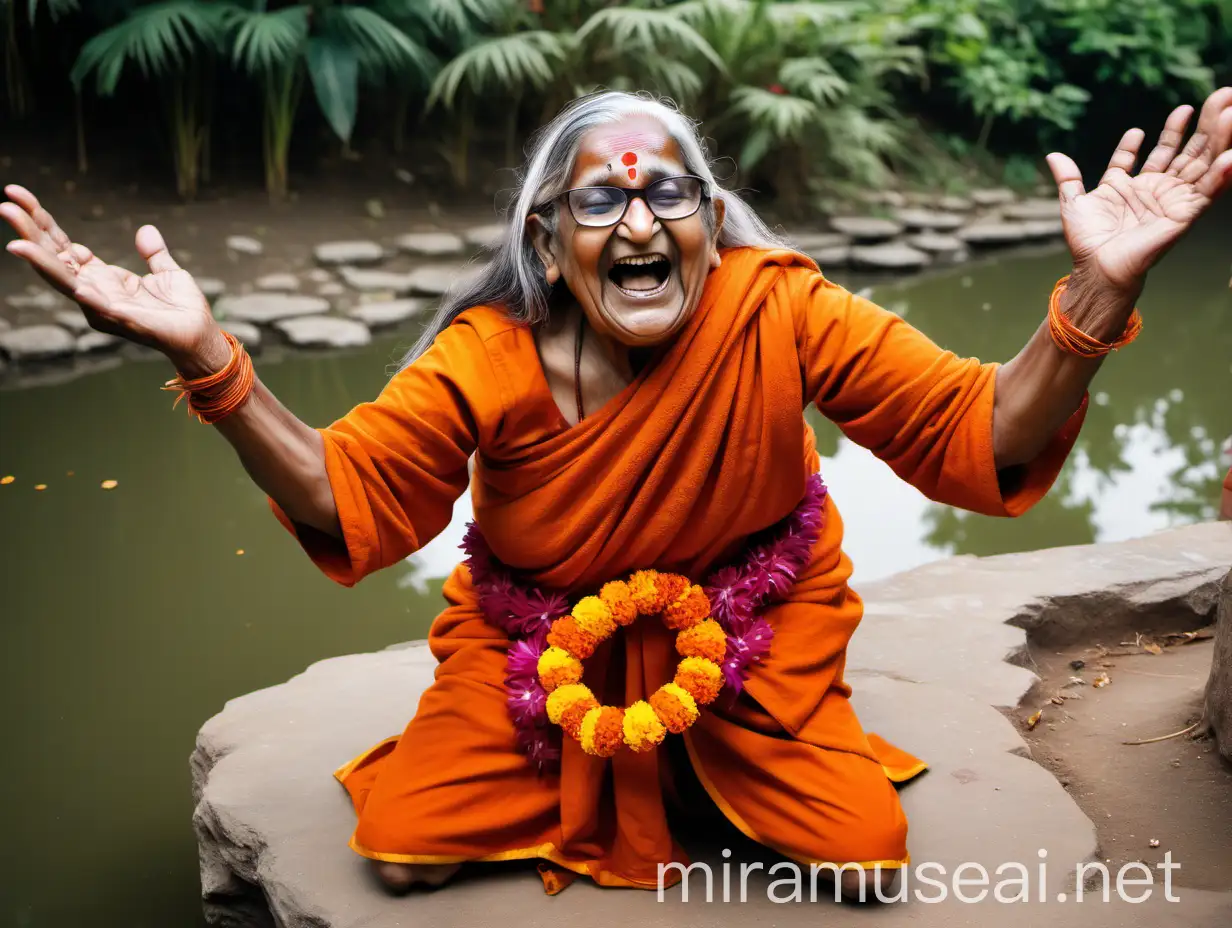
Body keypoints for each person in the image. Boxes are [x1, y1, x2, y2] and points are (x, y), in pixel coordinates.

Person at [5, 88, 1232, 901]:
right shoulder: (488, 351)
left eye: (668, 196)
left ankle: (733, 757)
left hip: (760, 631)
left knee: (860, 856)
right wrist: (209, 362)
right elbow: (351, 495)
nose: (638, 218)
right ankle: (636, 774)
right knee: (404, 846)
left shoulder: (781, 304)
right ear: (550, 239)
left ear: (708, 225)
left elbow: (973, 430)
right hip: (538, 642)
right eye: (602, 199)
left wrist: (1092, 302)